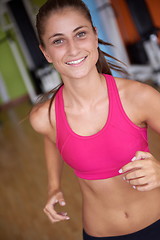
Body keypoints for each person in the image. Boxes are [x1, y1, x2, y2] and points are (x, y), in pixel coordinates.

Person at [29, 0, 160, 239]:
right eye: (58, 40)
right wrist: (53, 186)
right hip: (99, 233)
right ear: (45, 52)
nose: (73, 49)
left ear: (95, 35)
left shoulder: (139, 97)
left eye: (80, 34)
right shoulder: (44, 118)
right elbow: (54, 140)